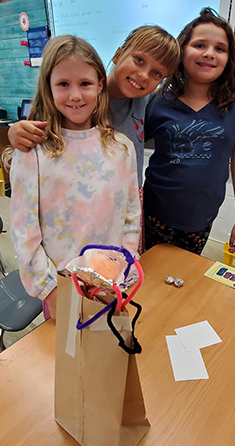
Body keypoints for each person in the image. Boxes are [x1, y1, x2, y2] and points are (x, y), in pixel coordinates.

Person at [9, 35, 141, 319]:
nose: (76, 95)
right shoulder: (33, 151)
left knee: (107, 353)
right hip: (60, 286)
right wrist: (49, 290)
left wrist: (125, 265)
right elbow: (24, 229)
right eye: (63, 84)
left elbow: (131, 215)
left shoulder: (122, 148)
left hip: (111, 280)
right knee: (67, 359)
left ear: (100, 85)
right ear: (49, 87)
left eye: (85, 83)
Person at [7, 26, 180, 188]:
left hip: (128, 200)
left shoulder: (146, 98)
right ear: (118, 55)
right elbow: (32, 143)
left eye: (156, 73)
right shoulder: (79, 101)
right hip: (85, 201)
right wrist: (15, 133)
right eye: (139, 60)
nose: (143, 75)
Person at [143, 7, 235, 255]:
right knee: (148, 282)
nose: (209, 54)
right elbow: (126, 143)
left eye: (220, 48)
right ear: (182, 51)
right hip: (153, 215)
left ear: (229, 58)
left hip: (201, 221)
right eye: (199, 45)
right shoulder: (158, 101)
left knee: (183, 283)